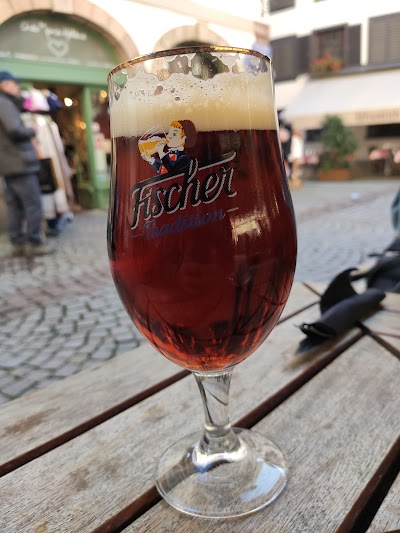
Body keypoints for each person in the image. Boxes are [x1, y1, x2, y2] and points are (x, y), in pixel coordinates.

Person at [0, 71, 53, 256]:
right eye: (14, 84)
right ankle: (34, 242)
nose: (16, 87)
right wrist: (31, 130)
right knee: (32, 204)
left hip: (9, 164)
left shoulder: (6, 103)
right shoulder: (4, 103)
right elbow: (15, 130)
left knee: (15, 206)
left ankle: (18, 243)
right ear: (4, 85)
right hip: (19, 162)